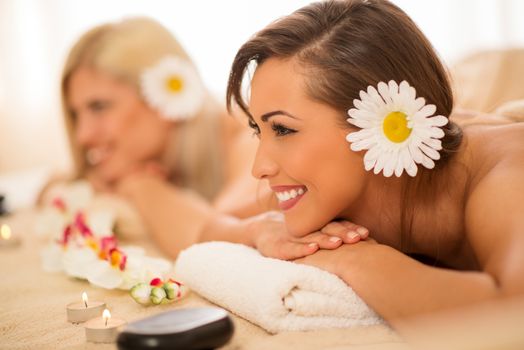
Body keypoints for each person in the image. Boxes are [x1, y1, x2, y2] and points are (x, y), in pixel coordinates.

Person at [225, 0, 524, 323]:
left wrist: (356, 260)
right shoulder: (320, 188)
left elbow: (512, 315)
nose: (259, 168)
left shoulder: (508, 171)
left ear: (381, 124)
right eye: (259, 129)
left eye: (283, 129)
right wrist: (258, 230)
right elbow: (209, 226)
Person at [59, 17, 273, 257]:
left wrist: (140, 186)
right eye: (75, 114)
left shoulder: (249, 138)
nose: (83, 135)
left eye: (99, 107)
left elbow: (222, 234)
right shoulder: (143, 159)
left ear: (164, 98)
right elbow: (54, 185)